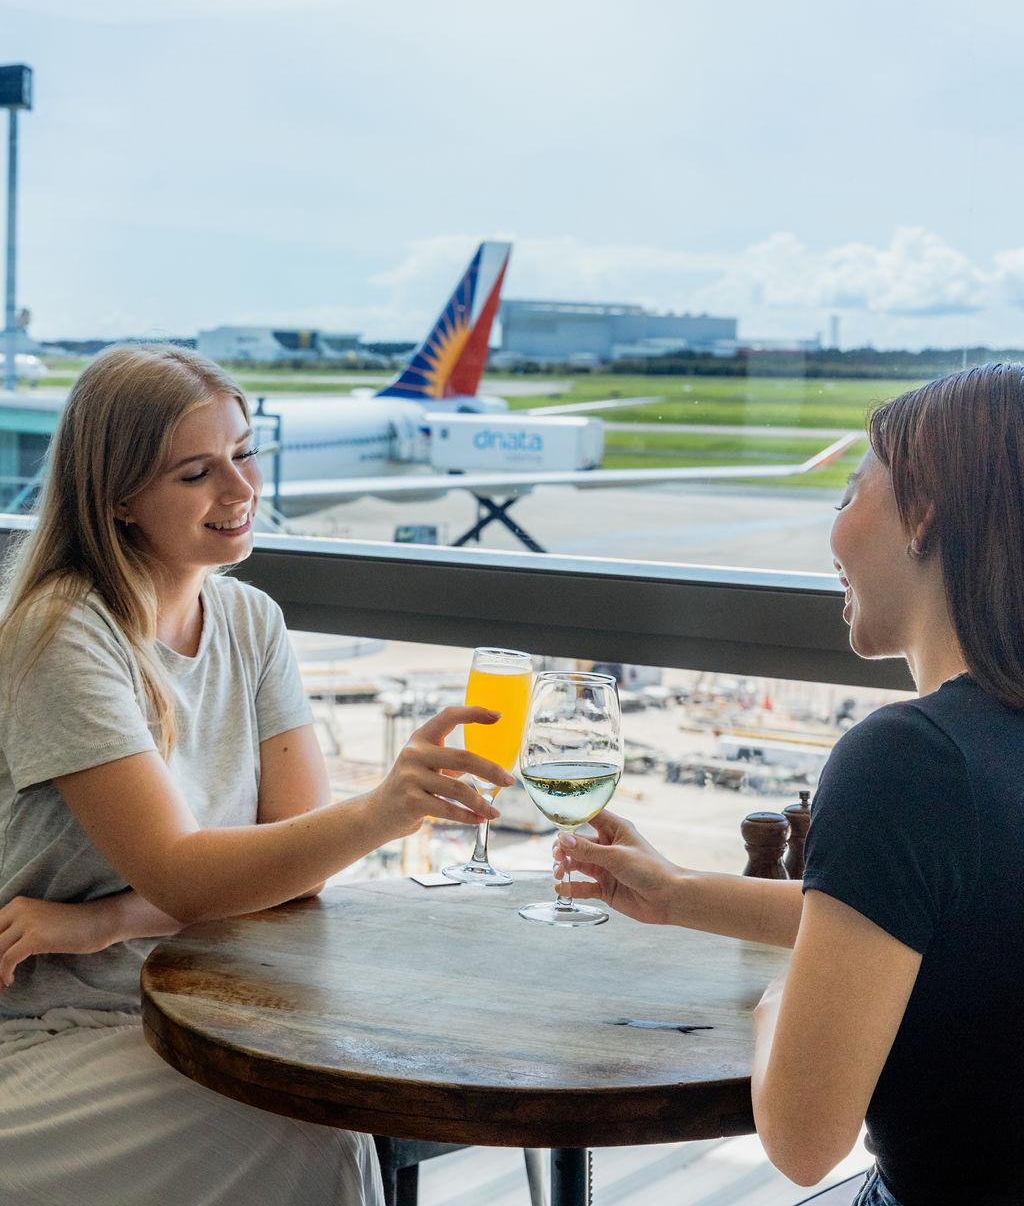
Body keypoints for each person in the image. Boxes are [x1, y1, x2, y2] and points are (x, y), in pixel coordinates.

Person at [0, 343, 514, 1206]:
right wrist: (385, 808)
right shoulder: (63, 635)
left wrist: (102, 921)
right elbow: (194, 872)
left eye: (244, 453)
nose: (240, 491)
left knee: (334, 1090)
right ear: (118, 498)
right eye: (196, 473)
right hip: (56, 1027)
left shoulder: (248, 618)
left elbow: (289, 877)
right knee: (304, 1122)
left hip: (204, 1002)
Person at [554, 363, 1024, 1206]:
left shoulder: (909, 761)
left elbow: (804, 1139)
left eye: (849, 494)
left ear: (921, 515)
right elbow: (932, 919)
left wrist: (780, 1006)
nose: (834, 530)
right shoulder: (984, 762)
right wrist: (678, 895)